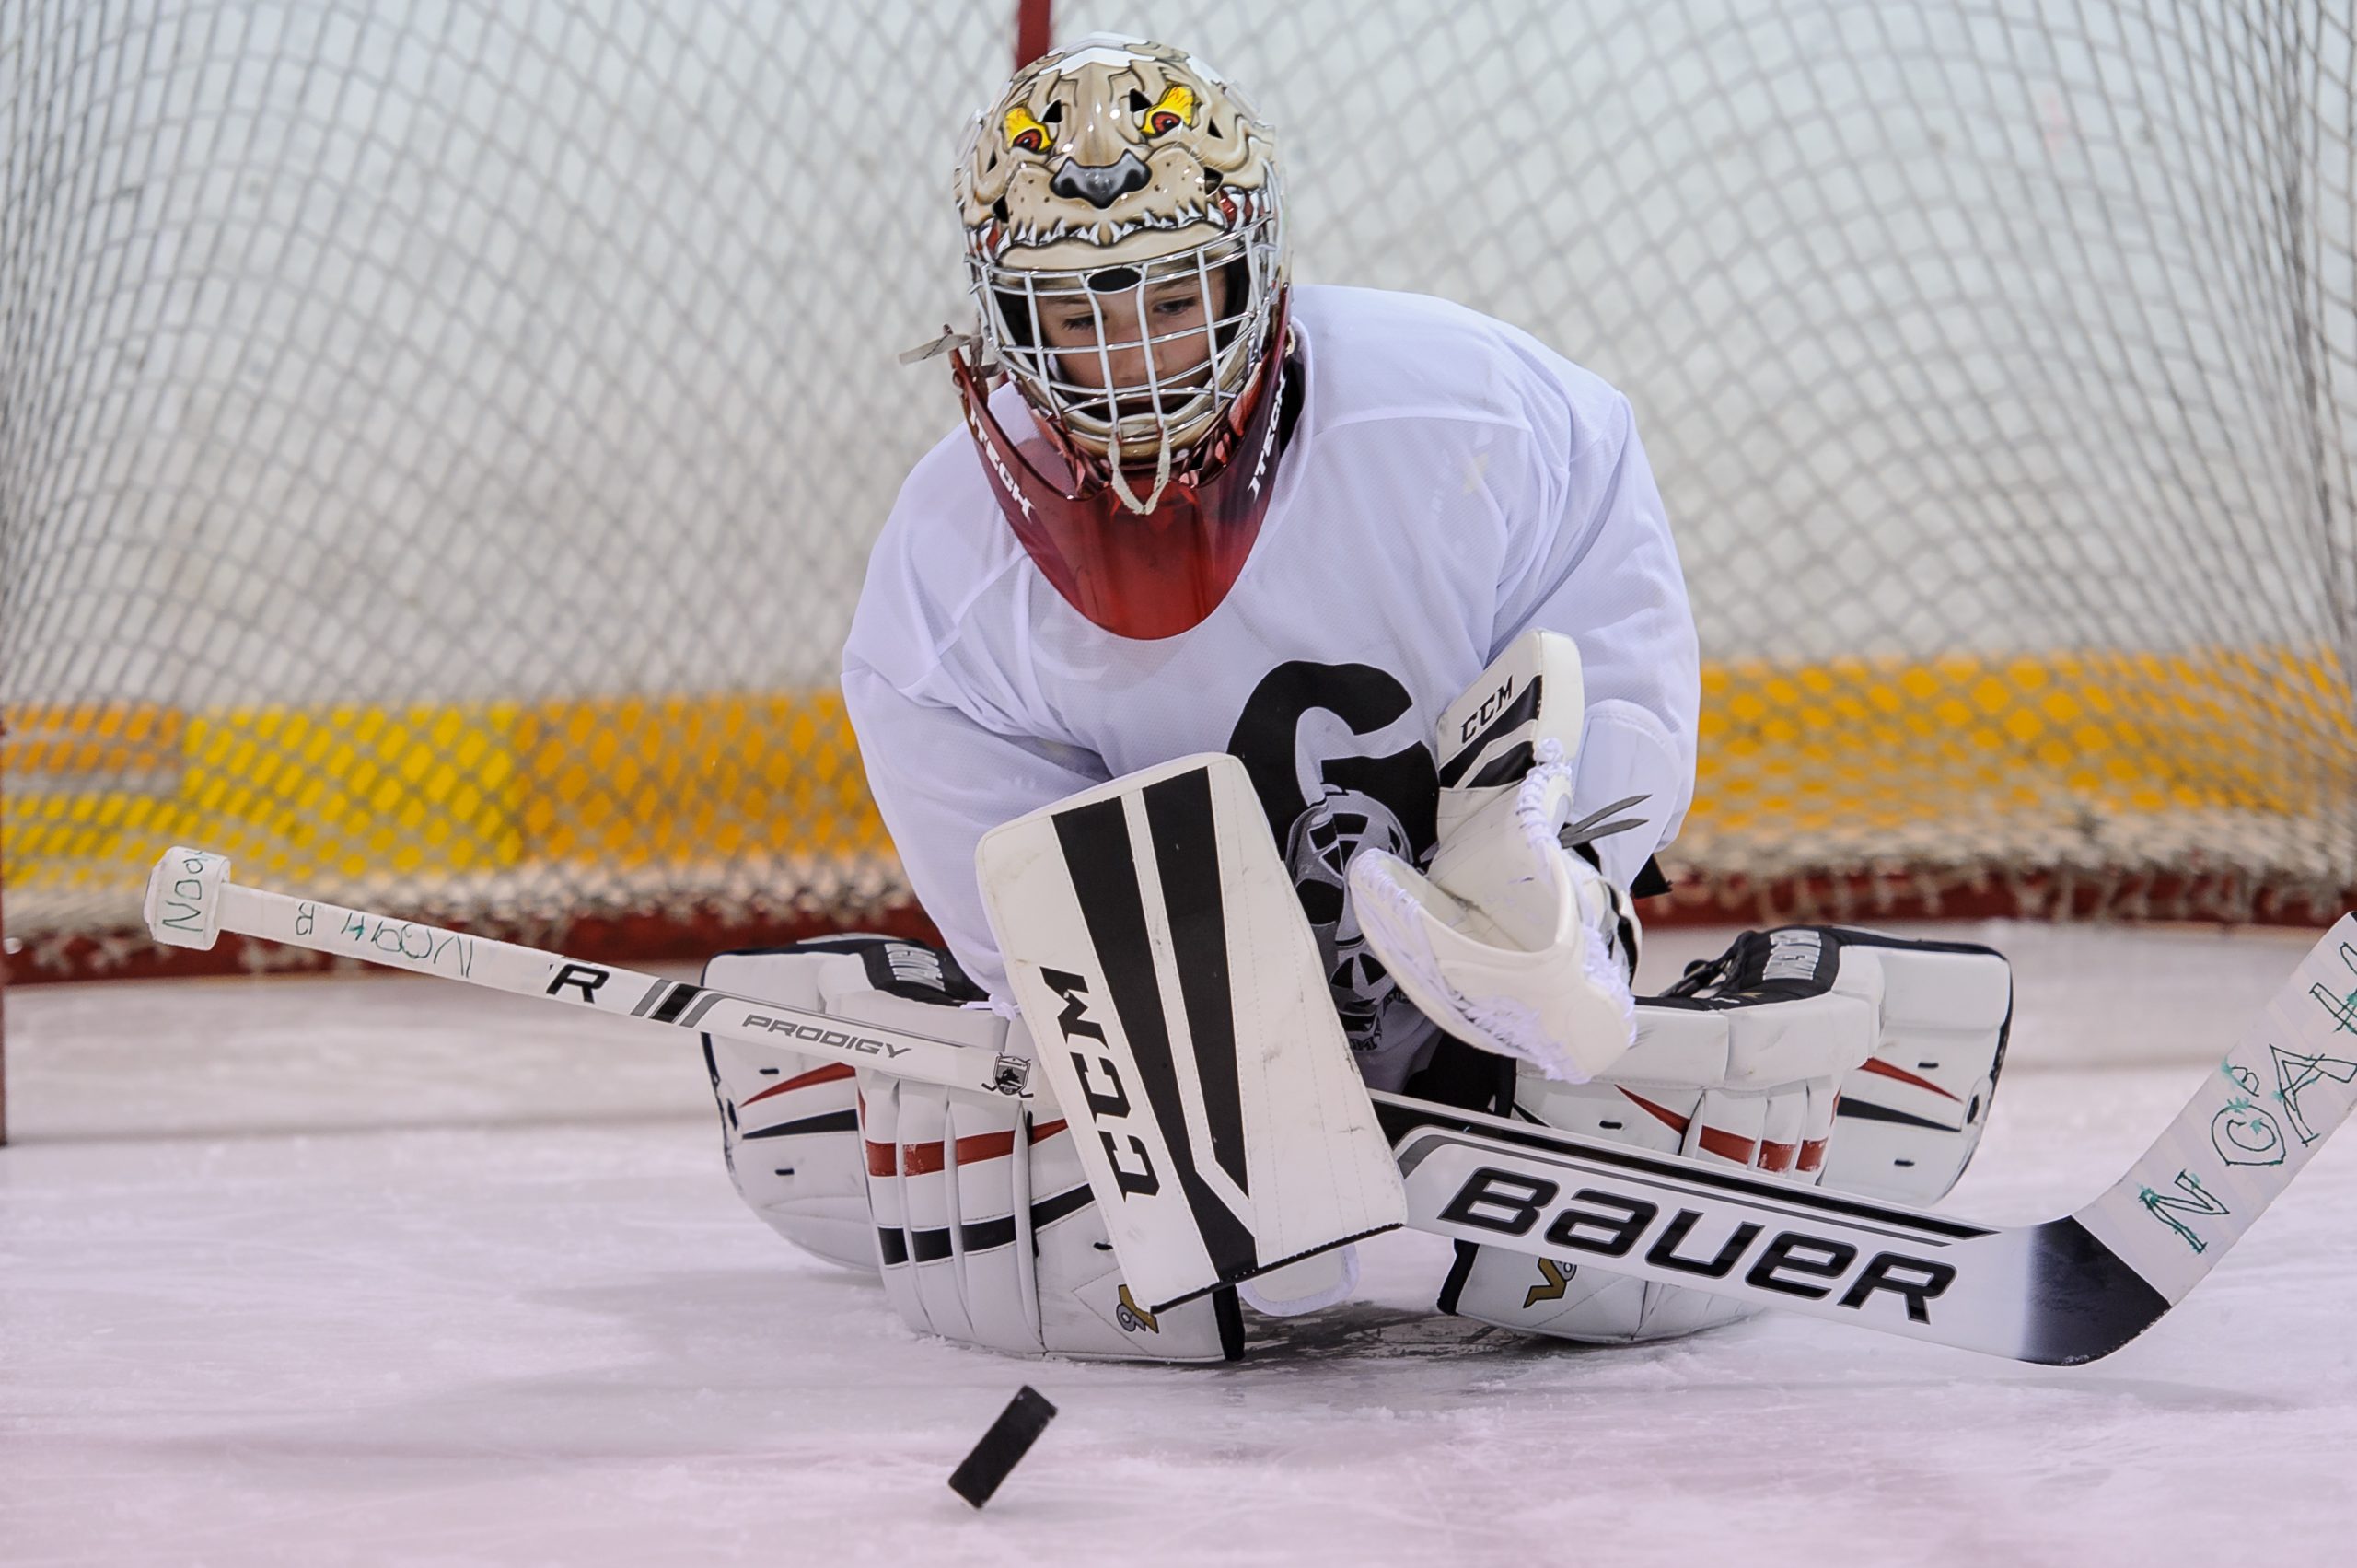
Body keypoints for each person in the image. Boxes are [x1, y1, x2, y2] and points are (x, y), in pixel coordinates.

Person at [699, 35, 2012, 1362]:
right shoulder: (943, 577)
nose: (1131, 363)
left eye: (1170, 296)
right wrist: (1131, 1079)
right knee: (1141, 1255)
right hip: (1183, 1034)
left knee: (1552, 998)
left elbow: (1604, 630)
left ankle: (1539, 974)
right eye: (1075, 314)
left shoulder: (1479, 415)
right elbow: (1027, 921)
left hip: (1463, 976)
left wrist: (1577, 875)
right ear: (1002, 317)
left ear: (1256, 266)